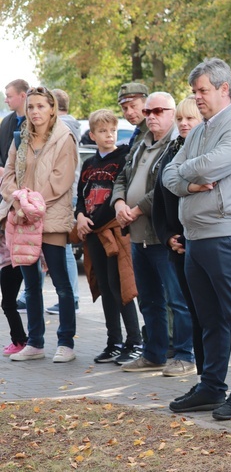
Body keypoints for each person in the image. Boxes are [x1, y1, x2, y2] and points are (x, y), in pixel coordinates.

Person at [163, 58, 231, 421]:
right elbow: (168, 175)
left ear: (224, 89)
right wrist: (190, 180)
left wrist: (189, 170)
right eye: (194, 92)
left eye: (203, 90)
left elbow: (204, 167)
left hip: (225, 233)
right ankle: (211, 387)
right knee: (209, 320)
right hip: (195, 236)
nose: (197, 98)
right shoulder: (202, 129)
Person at [111, 91, 195, 377]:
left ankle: (184, 354)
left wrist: (136, 209)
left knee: (177, 299)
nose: (151, 116)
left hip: (161, 235)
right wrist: (120, 202)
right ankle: (154, 354)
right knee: (148, 299)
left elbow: (164, 186)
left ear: (172, 113)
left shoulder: (177, 145)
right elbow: (122, 177)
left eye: (159, 111)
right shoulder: (140, 143)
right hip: (137, 236)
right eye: (148, 112)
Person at [1, 86, 78, 363]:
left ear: (52, 109)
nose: (35, 112)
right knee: (31, 284)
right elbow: (9, 173)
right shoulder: (20, 138)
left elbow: (61, 179)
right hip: (22, 219)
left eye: (41, 107)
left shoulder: (64, 138)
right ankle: (34, 342)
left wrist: (31, 204)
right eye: (31, 107)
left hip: (52, 219)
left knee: (62, 284)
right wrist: (18, 202)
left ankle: (66, 343)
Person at [75, 109, 142, 364]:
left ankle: (134, 341)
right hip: (92, 232)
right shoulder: (89, 164)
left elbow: (118, 193)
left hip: (113, 231)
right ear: (92, 135)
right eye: (102, 131)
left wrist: (91, 222)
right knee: (104, 287)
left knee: (120, 286)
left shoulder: (123, 157)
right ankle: (113, 341)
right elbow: (82, 196)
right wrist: (80, 217)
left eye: (112, 130)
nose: (109, 135)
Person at [152, 96, 207, 397]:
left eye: (191, 119)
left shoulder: (204, 153)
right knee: (193, 312)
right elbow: (160, 200)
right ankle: (203, 376)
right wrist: (167, 237)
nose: (185, 124)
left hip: (199, 242)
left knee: (205, 315)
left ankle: (209, 375)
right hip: (175, 245)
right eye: (181, 120)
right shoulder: (171, 152)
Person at [0, 79, 28, 354]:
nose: (6, 100)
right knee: (8, 298)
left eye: (9, 96)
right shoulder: (8, 124)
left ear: (23, 96)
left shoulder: (30, 126)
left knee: (13, 296)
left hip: (25, 223)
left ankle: (27, 340)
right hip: (9, 214)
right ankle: (22, 339)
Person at [47, 88, 80, 316]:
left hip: (64, 194)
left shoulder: (63, 130)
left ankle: (73, 298)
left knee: (64, 247)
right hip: (68, 192)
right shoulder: (71, 127)